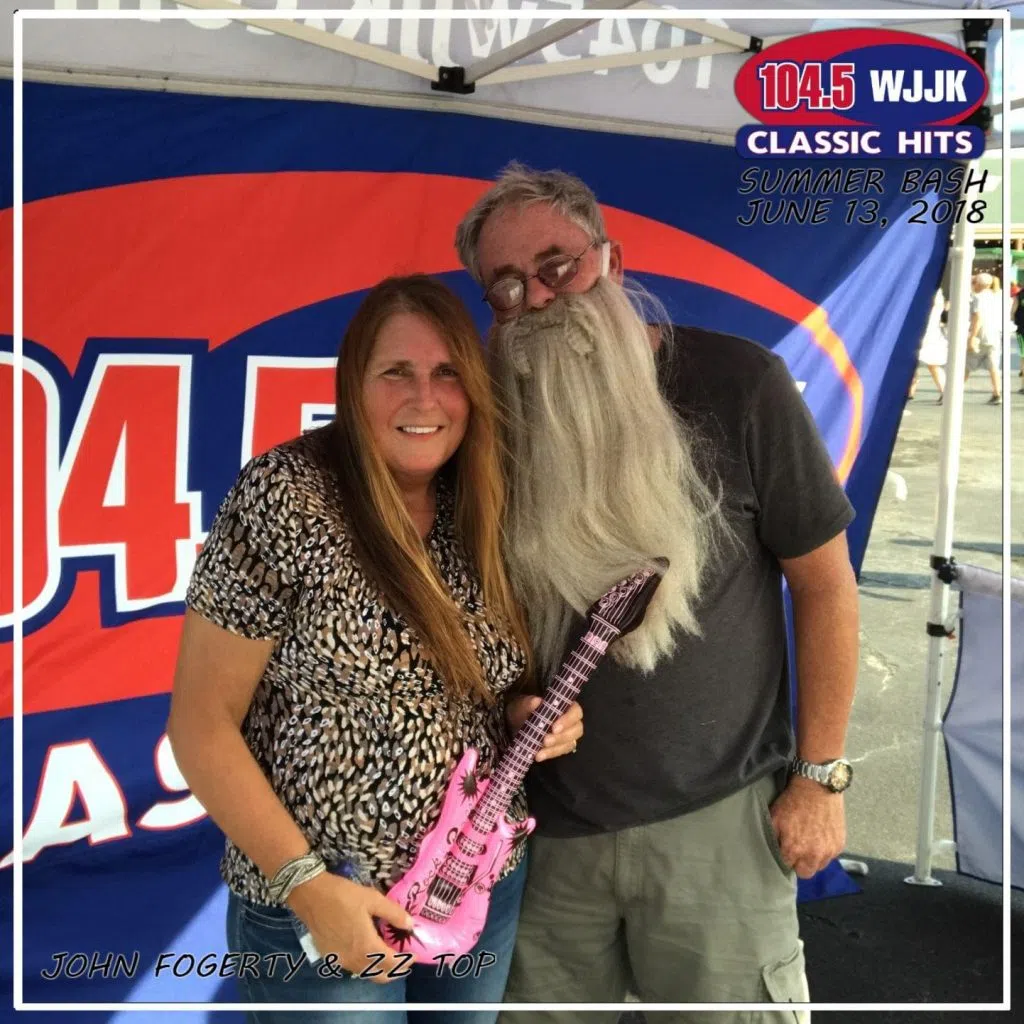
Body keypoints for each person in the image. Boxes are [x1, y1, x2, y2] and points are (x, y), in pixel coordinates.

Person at [454, 164, 860, 1021]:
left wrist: (820, 778)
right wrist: (509, 704)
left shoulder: (740, 384)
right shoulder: (487, 423)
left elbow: (825, 586)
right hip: (541, 838)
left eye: (559, 265)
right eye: (509, 284)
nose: (540, 296)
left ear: (614, 260)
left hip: (716, 824)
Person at [167, 275, 583, 1023]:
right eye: (396, 372)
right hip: (333, 900)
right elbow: (200, 725)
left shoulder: (481, 499)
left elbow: (479, 686)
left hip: (478, 882)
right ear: (353, 386)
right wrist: (308, 889)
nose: (424, 398)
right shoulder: (286, 496)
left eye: (447, 372)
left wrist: (526, 715)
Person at [964, 271, 1002, 405]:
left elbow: (978, 318)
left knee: (965, 364)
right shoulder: (997, 296)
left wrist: (972, 337)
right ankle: (997, 393)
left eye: (974, 282)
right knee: (993, 366)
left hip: (981, 336)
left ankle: (952, 392)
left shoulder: (978, 298)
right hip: (994, 335)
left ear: (978, 284)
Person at [907, 289, 947, 404]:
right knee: (932, 365)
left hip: (924, 332)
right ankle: (945, 391)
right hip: (932, 332)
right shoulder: (938, 296)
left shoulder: (928, 295)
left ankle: (910, 391)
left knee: (911, 363)